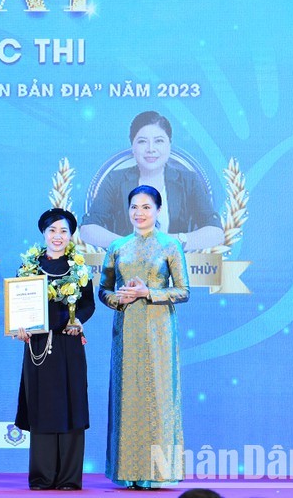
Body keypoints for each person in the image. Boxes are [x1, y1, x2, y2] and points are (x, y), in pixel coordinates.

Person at [99, 185, 190, 490]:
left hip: (158, 331)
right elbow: (104, 289)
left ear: (158, 210)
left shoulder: (170, 245)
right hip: (125, 330)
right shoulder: (118, 246)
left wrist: (148, 292)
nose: (139, 213)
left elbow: (184, 291)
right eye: (134, 207)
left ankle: (157, 472)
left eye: (146, 207)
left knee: (157, 396)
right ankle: (127, 471)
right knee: (127, 397)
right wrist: (118, 300)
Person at [14, 209, 95, 491]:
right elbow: (18, 305)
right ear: (43, 234)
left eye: (63, 231)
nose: (57, 236)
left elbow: (87, 304)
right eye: (52, 231)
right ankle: (42, 476)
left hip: (69, 343)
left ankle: (69, 478)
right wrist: (20, 327)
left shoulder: (79, 267)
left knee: (71, 405)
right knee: (43, 406)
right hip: (38, 346)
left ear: (70, 235)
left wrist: (78, 322)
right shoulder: (29, 267)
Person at [80, 110, 223, 251]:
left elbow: (215, 232)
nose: (151, 149)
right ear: (133, 146)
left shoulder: (189, 180)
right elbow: (88, 229)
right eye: (142, 142)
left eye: (159, 141)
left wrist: (175, 241)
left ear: (169, 145)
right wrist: (129, 244)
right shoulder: (115, 180)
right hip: (124, 268)